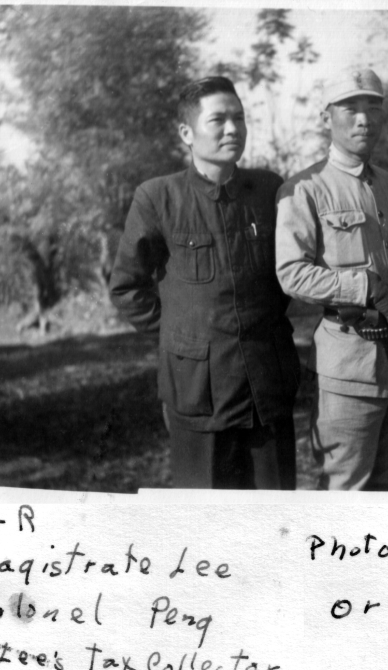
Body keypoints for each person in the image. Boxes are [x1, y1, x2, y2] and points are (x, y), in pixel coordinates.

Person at [109, 76, 299, 489]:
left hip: (266, 385)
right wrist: (185, 340)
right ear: (187, 133)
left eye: (239, 118)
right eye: (218, 120)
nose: (233, 129)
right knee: (205, 521)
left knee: (277, 516)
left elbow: (286, 276)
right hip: (198, 395)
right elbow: (127, 287)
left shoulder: (267, 189)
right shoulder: (158, 197)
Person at [275, 68, 388, 491]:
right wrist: (363, 286)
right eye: (351, 108)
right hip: (350, 362)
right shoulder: (305, 189)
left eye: (374, 108)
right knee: (345, 490)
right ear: (327, 117)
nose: (364, 119)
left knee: (387, 486)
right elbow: (291, 274)